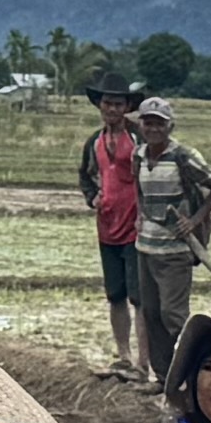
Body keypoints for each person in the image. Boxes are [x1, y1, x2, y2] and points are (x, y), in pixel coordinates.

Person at [126, 98, 211, 378]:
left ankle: (189, 375)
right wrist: (140, 214)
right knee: (152, 315)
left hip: (175, 250)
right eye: (148, 122)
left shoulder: (184, 156)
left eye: (160, 123)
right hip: (145, 246)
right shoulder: (139, 155)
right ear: (141, 125)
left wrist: (194, 221)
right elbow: (138, 187)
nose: (154, 128)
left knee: (174, 315)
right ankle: (163, 376)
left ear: (170, 126)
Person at [79, 78, 151, 380]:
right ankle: (123, 355)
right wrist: (92, 197)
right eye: (107, 103)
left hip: (135, 226)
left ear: (127, 108)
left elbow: (152, 171)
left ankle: (142, 364)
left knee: (139, 298)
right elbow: (85, 174)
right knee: (115, 295)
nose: (112, 109)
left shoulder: (138, 138)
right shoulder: (94, 141)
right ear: (100, 106)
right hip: (106, 225)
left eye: (118, 104)